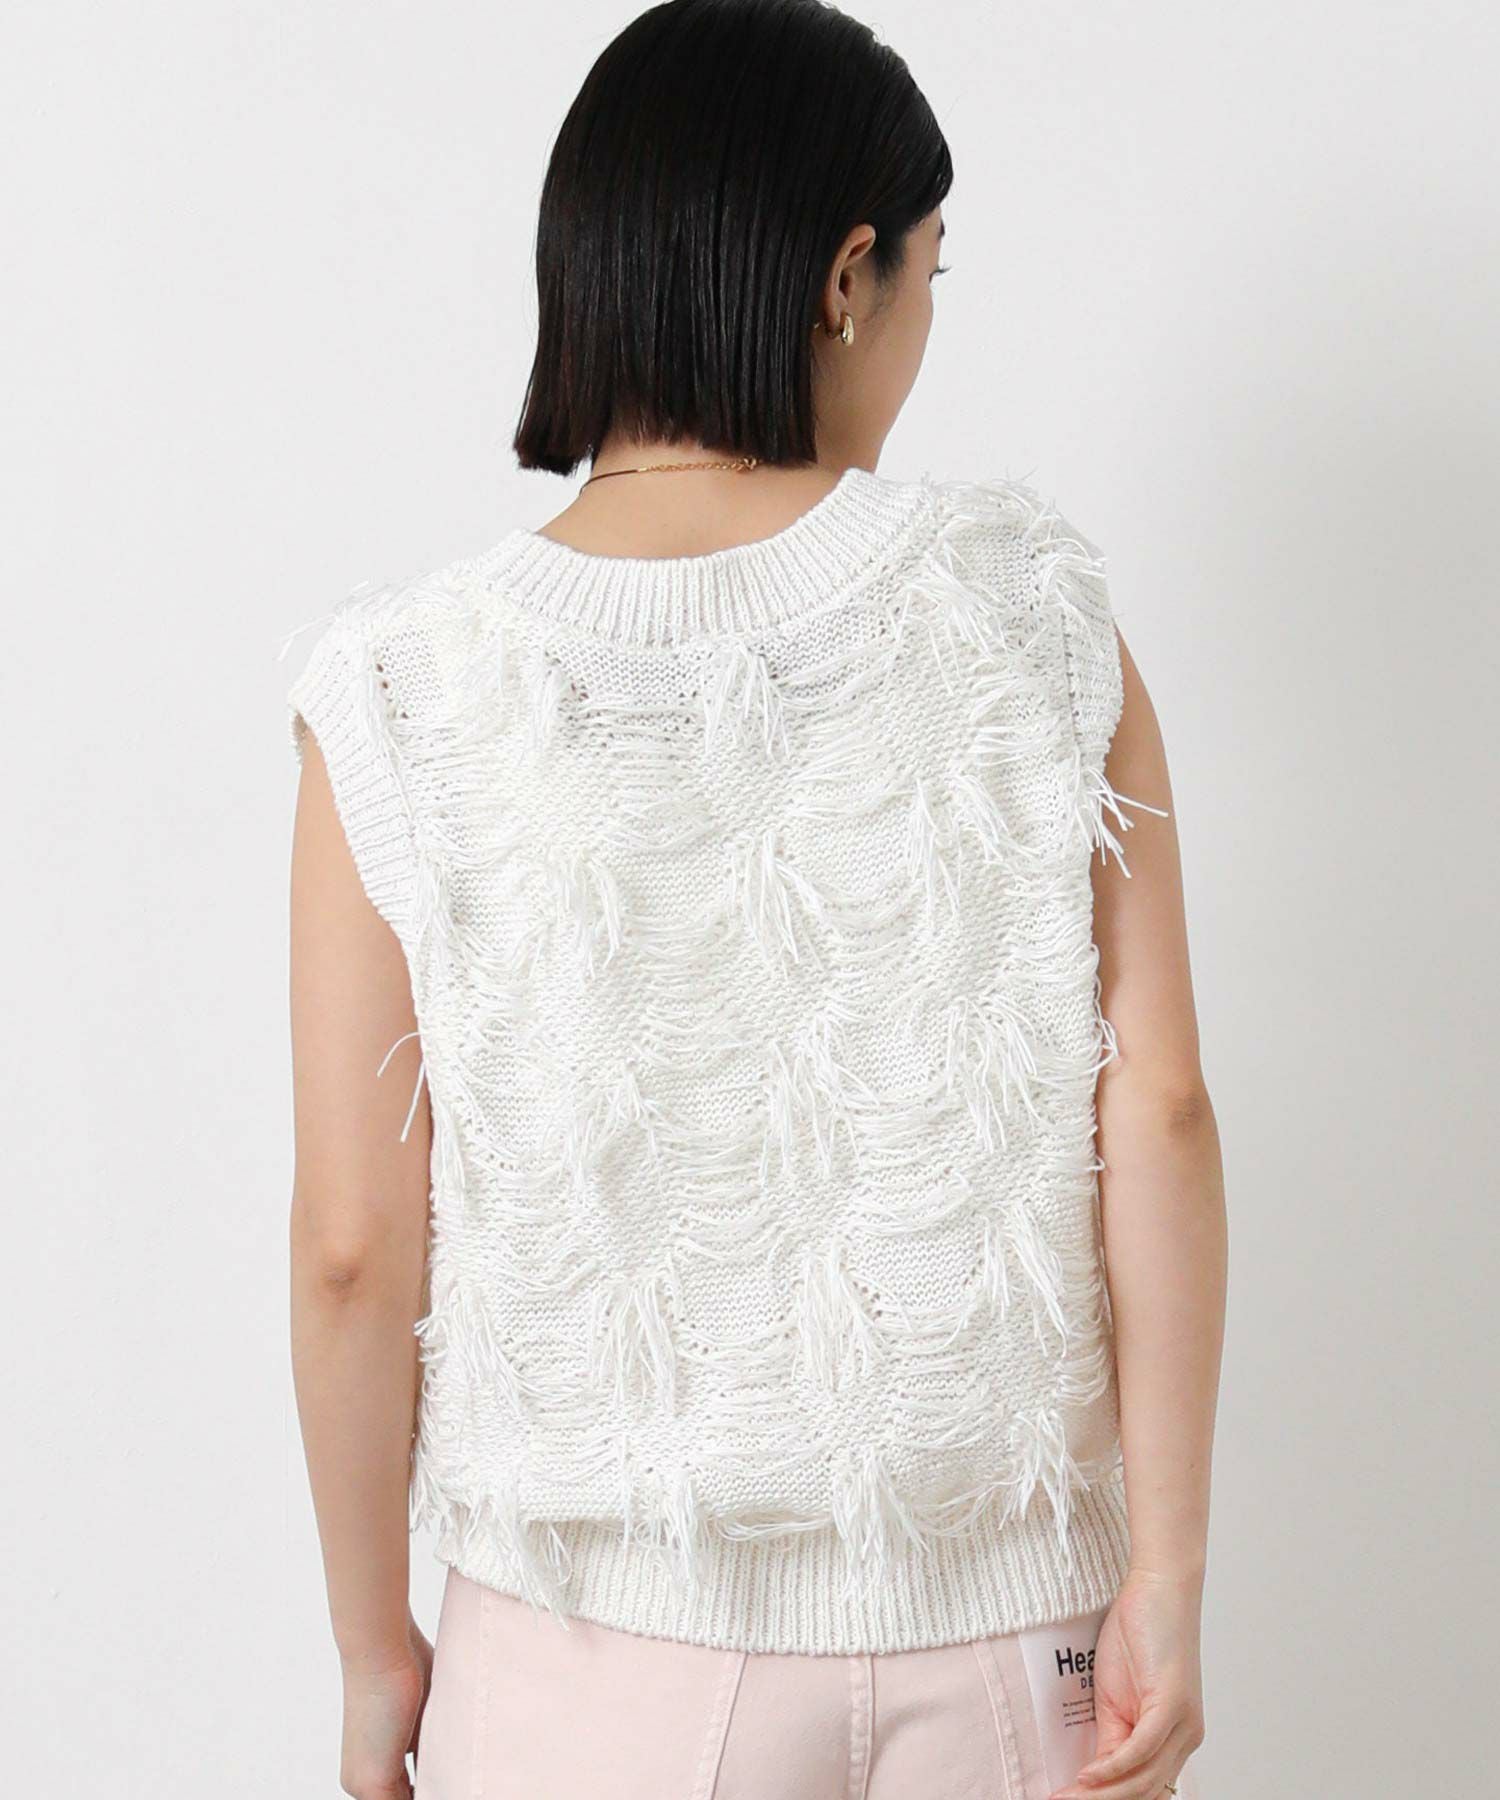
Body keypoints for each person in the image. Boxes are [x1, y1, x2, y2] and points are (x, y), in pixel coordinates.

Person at [280, 2, 1227, 1796]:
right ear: (848, 278)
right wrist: (1166, 1575)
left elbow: (351, 1246)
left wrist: (368, 1648)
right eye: (934, 270)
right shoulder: (1030, 613)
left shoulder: (401, 688)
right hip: (1013, 1646)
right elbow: (1159, 1112)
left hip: (585, 1665)